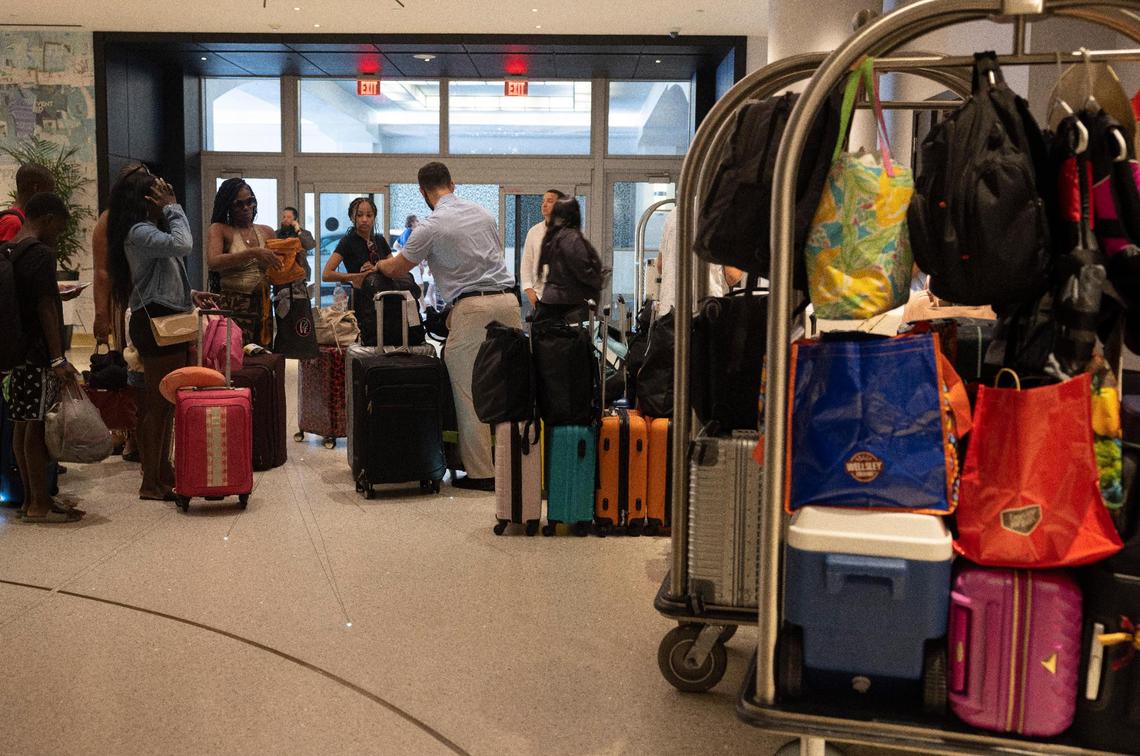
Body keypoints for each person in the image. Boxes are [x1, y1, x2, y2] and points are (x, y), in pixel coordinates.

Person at [377, 162, 518, 492]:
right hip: (509, 305)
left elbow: (399, 267)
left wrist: (379, 263)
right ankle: (517, 463)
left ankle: (483, 473)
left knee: (469, 392)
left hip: (472, 310)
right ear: (452, 184)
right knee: (507, 388)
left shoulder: (431, 226)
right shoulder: (483, 213)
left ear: (423, 192)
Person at [107, 170, 215, 501]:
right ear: (147, 200)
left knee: (166, 402)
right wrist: (174, 208)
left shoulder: (145, 231)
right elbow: (184, 244)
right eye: (159, 193)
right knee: (157, 404)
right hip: (157, 323)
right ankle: (150, 481)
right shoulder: (139, 231)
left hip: (164, 317)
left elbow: (161, 274)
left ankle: (161, 471)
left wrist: (190, 294)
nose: (166, 196)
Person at [5, 192, 81, 523]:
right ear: (48, 219)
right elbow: (45, 306)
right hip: (37, 354)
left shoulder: (12, 249)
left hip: (16, 351)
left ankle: (30, 499)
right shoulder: (40, 253)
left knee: (23, 425)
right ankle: (39, 504)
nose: (58, 235)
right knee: (36, 428)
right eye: (59, 228)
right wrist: (57, 358)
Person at [92, 162, 151, 462]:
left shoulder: (151, 214)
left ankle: (149, 436)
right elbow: (102, 272)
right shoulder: (109, 220)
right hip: (125, 302)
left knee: (151, 372)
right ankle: (131, 435)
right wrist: (100, 315)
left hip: (154, 302)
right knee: (131, 370)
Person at [206, 178, 280, 347]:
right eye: (238, 204)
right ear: (228, 206)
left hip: (263, 304)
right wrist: (253, 253)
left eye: (250, 201)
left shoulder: (266, 231)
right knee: (235, 356)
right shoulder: (219, 229)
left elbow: (277, 269)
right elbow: (213, 261)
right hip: (234, 303)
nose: (246, 208)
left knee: (264, 354)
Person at [534, 197, 605, 324]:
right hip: (571, 304)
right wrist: (598, 280)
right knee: (573, 342)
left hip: (550, 302)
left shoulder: (552, 237)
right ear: (575, 214)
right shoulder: (572, 238)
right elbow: (582, 268)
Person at [322, 197, 396, 316]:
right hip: (362, 301)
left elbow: (394, 267)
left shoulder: (380, 240)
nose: (364, 219)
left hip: (387, 298)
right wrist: (355, 277)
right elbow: (326, 274)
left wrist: (377, 267)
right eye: (359, 215)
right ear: (352, 218)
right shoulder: (347, 242)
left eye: (369, 215)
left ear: (374, 218)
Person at [520, 189, 566, 311]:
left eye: (549, 201)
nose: (544, 204)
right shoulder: (533, 232)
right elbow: (526, 265)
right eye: (543, 201)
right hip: (540, 296)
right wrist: (530, 292)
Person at [0, 164, 55, 243]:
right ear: (37, 188)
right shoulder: (13, 222)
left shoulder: (23, 220)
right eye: (49, 192)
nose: (50, 198)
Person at [276, 206, 315, 279]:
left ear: (295, 219)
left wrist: (298, 231)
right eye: (284, 217)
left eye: (289, 217)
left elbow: (310, 245)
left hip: (299, 274)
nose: (285, 219)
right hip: (281, 274)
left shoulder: (304, 233)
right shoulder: (276, 234)